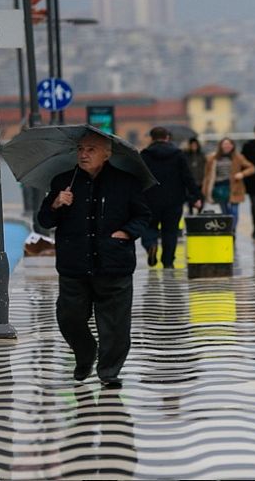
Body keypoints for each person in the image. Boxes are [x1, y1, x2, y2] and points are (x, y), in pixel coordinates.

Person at [37, 131, 151, 387]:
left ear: (106, 153)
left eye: (90, 149)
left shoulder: (126, 182)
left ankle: (109, 371)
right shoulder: (63, 181)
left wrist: (126, 233)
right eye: (80, 149)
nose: (83, 154)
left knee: (114, 323)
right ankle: (86, 352)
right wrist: (56, 204)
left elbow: (143, 216)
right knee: (69, 317)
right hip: (73, 264)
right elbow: (44, 220)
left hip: (114, 262)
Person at [140, 127, 203, 268]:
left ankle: (151, 244)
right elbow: (187, 177)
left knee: (149, 227)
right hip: (174, 200)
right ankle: (168, 262)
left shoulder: (144, 155)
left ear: (151, 138)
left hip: (150, 199)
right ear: (167, 137)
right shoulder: (178, 154)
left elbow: (139, 178)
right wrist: (196, 196)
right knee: (170, 231)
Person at [202, 137, 255, 232]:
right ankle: (227, 230)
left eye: (229, 144)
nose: (227, 146)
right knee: (224, 211)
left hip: (235, 187)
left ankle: (233, 229)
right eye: (225, 144)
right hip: (219, 187)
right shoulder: (212, 158)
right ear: (220, 146)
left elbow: (252, 168)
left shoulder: (238, 157)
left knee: (234, 210)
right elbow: (207, 174)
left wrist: (242, 174)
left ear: (232, 146)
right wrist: (205, 188)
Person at [184, 137, 206, 214]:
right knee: (190, 201)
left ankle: (199, 214)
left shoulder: (202, 155)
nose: (193, 146)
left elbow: (205, 167)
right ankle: (191, 214)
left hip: (201, 182)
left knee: (201, 200)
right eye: (192, 145)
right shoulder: (185, 155)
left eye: (195, 145)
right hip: (190, 182)